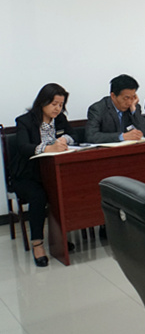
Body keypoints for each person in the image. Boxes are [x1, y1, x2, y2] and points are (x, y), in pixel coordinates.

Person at [12, 83, 77, 267]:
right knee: (38, 196)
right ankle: (38, 244)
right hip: (26, 175)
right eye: (54, 104)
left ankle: (59, 238)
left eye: (61, 105)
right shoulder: (25, 121)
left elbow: (74, 136)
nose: (57, 109)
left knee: (65, 189)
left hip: (51, 172)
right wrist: (48, 148)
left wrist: (64, 140)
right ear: (42, 102)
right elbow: (23, 147)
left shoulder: (60, 119)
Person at [85, 74, 145, 143]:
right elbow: (91, 136)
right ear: (113, 96)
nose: (129, 102)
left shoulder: (133, 106)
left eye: (133, 97)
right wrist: (122, 137)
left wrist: (134, 112)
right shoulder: (98, 109)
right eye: (126, 98)